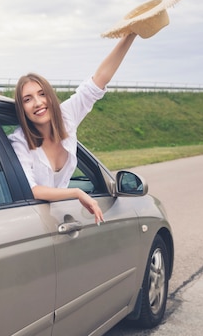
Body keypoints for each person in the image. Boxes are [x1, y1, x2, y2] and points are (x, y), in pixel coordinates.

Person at [9, 33, 137, 224]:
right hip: (32, 221)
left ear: (51, 96)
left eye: (42, 94)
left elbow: (98, 81)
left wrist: (131, 34)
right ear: (22, 108)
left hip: (57, 219)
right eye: (28, 99)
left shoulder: (66, 116)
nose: (37, 103)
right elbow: (33, 189)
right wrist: (77, 192)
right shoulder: (20, 141)